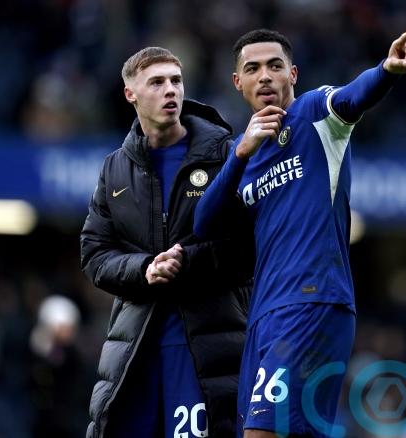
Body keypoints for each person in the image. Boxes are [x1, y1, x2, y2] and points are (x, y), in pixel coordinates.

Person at [194, 29, 406, 437]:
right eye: (253, 69)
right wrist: (240, 154)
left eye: (275, 66)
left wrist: (387, 71)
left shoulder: (316, 113)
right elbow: (204, 224)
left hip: (311, 301)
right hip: (263, 315)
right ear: (238, 82)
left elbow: (353, 96)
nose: (265, 76)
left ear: (293, 74)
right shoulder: (243, 152)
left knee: (262, 433)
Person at [80, 47, 254, 438]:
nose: (170, 90)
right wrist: (145, 269)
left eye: (176, 80)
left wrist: (186, 262)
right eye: (157, 82)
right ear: (131, 94)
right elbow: (94, 254)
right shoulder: (115, 168)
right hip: (135, 349)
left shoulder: (224, 156)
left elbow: (248, 246)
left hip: (206, 344)